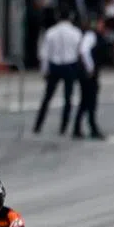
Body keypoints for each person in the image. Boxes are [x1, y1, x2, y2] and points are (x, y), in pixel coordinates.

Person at [34, 7, 83, 135]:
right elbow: (80, 51)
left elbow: (44, 54)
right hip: (70, 65)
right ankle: (63, 127)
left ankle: (38, 125)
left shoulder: (51, 32)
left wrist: (44, 70)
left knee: (47, 97)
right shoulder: (76, 33)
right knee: (68, 98)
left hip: (55, 65)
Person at [74, 14, 106, 140]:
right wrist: (90, 67)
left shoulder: (93, 36)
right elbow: (84, 51)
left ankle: (79, 127)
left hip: (90, 73)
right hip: (88, 74)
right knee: (89, 101)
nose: (102, 26)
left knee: (86, 101)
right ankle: (91, 128)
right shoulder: (91, 36)